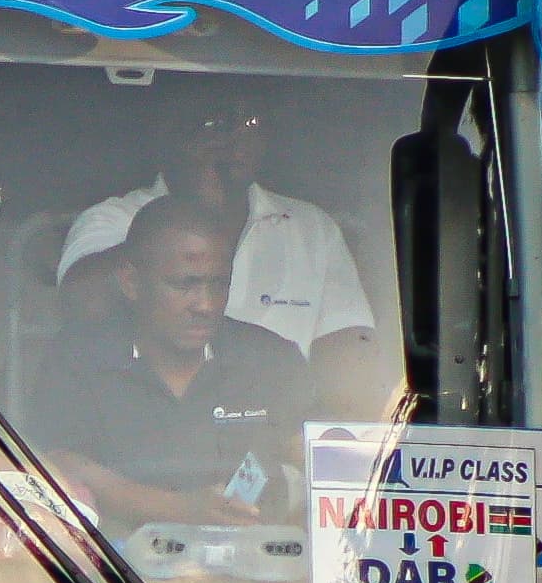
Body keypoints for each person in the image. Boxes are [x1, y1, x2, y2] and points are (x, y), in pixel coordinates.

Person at [53, 90, 379, 401]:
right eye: (216, 124)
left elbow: (350, 355)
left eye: (249, 123)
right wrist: (197, 205)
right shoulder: (114, 218)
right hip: (145, 427)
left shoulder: (310, 228)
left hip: (278, 428)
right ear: (177, 132)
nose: (233, 139)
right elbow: (83, 306)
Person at [37, 200, 291, 527]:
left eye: (218, 284)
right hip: (113, 568)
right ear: (131, 282)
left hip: (255, 563)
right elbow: (55, 464)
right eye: (184, 284)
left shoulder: (268, 357)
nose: (206, 304)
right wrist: (174, 508)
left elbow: (313, 458)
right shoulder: (79, 357)